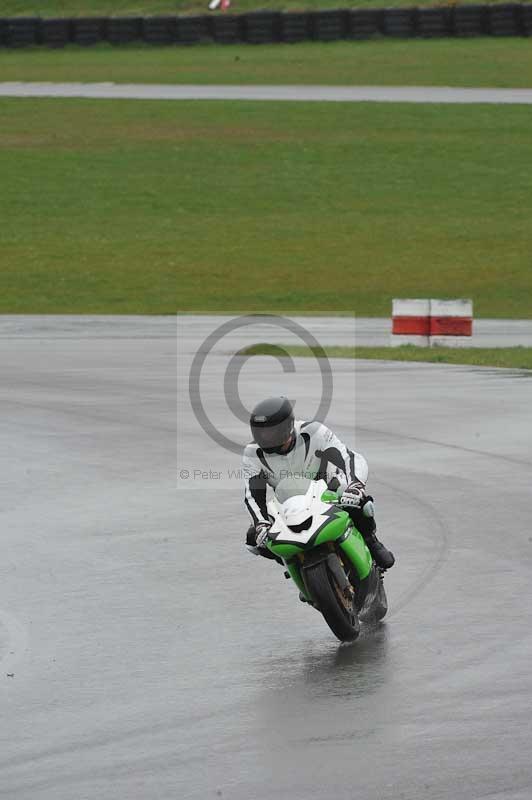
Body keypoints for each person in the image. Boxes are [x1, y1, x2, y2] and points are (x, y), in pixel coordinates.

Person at [243, 396, 395, 570]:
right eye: (261, 433)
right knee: (253, 538)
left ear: (288, 426)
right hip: (290, 504)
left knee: (362, 503)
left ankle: (370, 539)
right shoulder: (252, 454)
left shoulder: (313, 432)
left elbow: (348, 457)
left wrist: (355, 485)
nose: (267, 438)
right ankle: (296, 564)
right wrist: (261, 523)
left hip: (328, 492)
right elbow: (252, 496)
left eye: (272, 432)